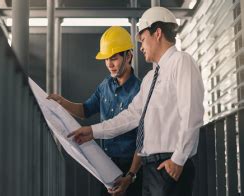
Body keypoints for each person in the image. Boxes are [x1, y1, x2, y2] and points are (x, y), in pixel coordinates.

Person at [68, 7, 204, 196]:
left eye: (143, 40)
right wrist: (93, 131)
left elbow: (192, 114)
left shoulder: (181, 62)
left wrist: (179, 159)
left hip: (169, 164)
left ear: (157, 33)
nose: (140, 47)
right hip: (150, 168)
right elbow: (131, 116)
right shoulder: (150, 78)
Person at [47, 26, 142, 196]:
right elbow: (85, 110)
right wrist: (62, 102)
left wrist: (131, 175)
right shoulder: (105, 86)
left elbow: (144, 140)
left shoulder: (140, 91)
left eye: (113, 58)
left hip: (130, 168)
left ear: (128, 56)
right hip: (104, 166)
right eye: (106, 59)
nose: (109, 64)